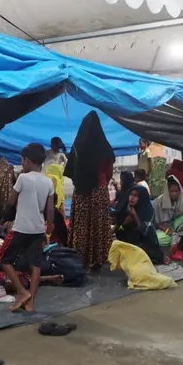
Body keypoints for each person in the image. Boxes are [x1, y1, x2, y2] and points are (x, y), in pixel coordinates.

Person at [2, 143, 55, 312]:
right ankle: (31, 303)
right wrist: (49, 229)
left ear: (28, 161)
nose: (21, 163)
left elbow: (11, 201)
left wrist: (5, 219)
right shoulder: (48, 182)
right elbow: (50, 209)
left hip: (21, 227)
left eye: (22, 160)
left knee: (4, 260)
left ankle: (21, 292)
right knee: (35, 264)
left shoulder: (23, 178)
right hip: (38, 228)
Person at [66, 112, 114, 272]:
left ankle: (80, 259)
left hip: (81, 192)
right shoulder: (104, 147)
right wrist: (100, 182)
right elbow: (108, 173)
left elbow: (71, 171)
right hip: (99, 192)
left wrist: (82, 181)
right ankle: (98, 259)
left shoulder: (78, 145)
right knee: (98, 225)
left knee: (81, 225)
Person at [115, 185, 163, 264]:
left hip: (142, 241)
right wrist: (124, 224)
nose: (132, 198)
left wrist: (135, 216)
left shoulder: (148, 211)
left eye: (136, 195)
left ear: (142, 198)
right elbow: (117, 230)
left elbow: (148, 234)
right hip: (126, 240)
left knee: (142, 250)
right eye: (131, 194)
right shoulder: (125, 208)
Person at [152, 175, 183, 250]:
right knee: (158, 239)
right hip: (163, 228)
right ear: (167, 191)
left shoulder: (181, 201)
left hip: (177, 226)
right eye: (172, 191)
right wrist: (168, 231)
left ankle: (181, 237)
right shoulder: (158, 202)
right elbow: (156, 222)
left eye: (176, 191)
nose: (174, 193)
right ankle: (181, 238)